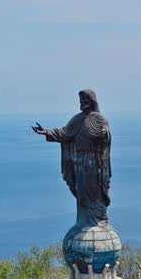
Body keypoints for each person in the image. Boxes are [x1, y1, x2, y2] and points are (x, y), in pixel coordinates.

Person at [32, 89, 112, 226]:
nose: (83, 102)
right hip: (80, 162)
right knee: (82, 193)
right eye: (81, 100)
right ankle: (83, 221)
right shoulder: (77, 119)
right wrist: (46, 131)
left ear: (92, 101)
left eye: (85, 100)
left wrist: (105, 133)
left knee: (95, 191)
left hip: (95, 162)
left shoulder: (100, 119)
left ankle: (98, 220)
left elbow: (107, 135)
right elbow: (63, 133)